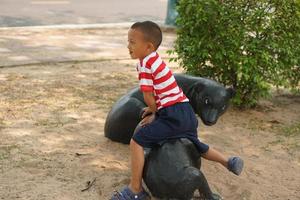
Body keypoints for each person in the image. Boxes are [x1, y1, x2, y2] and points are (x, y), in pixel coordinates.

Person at [111, 21, 244, 200]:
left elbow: (148, 97)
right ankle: (229, 161)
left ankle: (135, 190)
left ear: (149, 46)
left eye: (132, 42)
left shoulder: (144, 66)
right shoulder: (156, 59)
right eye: (128, 41)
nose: (128, 46)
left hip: (171, 114)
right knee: (196, 144)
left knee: (137, 142)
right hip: (186, 111)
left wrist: (154, 113)